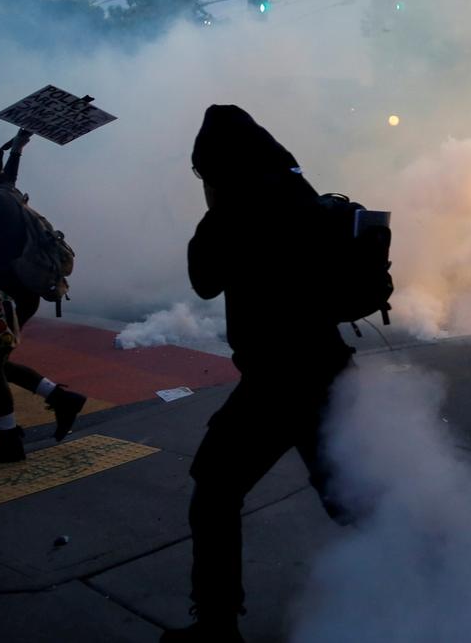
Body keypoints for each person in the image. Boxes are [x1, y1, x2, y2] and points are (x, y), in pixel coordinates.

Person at [165, 105, 355, 643]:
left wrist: (215, 204)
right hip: (328, 367)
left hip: (277, 379)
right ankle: (431, 580)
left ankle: (217, 626)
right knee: (350, 499)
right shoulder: (299, 192)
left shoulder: (237, 204)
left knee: (214, 493)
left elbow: (204, 279)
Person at [0, 129, 88, 465]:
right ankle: (60, 400)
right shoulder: (5, 192)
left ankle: (8, 439)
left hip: (7, 296)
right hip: (14, 294)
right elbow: (7, 177)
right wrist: (17, 149)